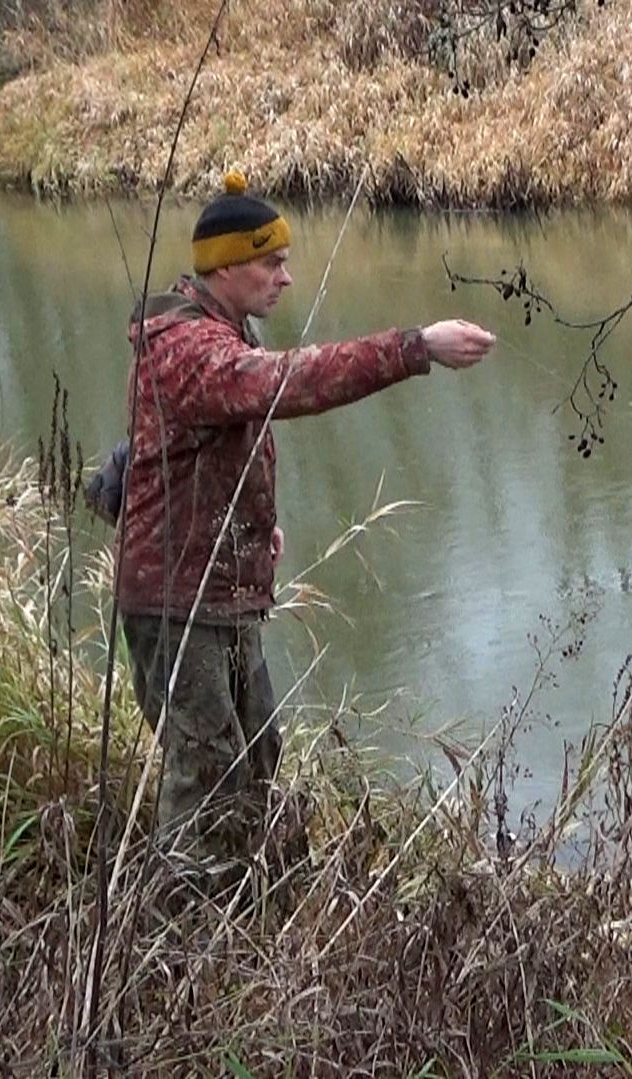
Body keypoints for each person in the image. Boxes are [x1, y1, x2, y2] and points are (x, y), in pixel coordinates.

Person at [92, 170, 494, 864]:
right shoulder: (191, 350)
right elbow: (292, 383)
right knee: (207, 774)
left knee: (257, 750)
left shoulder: (223, 332)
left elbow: (217, 445)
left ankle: (238, 916)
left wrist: (255, 522)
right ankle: (176, 937)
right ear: (226, 266)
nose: (286, 276)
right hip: (178, 603)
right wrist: (416, 346)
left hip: (218, 591)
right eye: (271, 261)